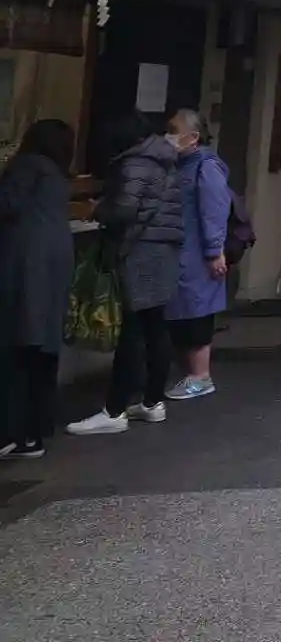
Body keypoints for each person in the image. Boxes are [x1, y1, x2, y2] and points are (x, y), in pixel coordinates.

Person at [67, 115, 186, 436]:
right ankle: (152, 402)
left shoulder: (136, 163)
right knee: (155, 327)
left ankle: (115, 409)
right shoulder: (166, 159)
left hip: (141, 252)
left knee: (132, 331)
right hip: (164, 251)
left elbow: (124, 210)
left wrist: (96, 209)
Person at [0, 120, 76, 458]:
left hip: (24, 263)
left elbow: (7, 205)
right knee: (43, 349)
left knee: (16, 347)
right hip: (54, 263)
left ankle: (11, 432)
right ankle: (36, 431)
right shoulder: (57, 174)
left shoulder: (26, 167)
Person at [163, 109, 230, 401]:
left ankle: (200, 376)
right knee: (186, 311)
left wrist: (214, 251)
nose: (168, 136)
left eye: (173, 130)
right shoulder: (182, 165)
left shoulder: (206, 167)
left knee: (197, 313)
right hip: (184, 253)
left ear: (193, 137)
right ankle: (191, 374)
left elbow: (214, 210)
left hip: (198, 255)